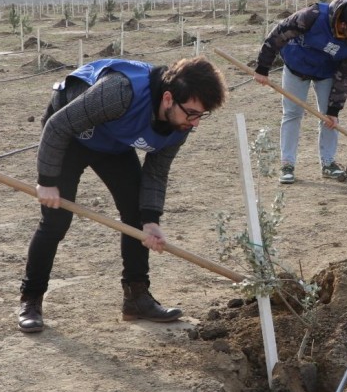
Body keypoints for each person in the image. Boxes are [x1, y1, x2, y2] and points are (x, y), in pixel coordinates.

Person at [17, 57, 227, 333]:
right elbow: (57, 126)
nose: (195, 123)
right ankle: (31, 299)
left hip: (113, 142)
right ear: (167, 98)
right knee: (56, 221)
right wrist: (46, 181)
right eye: (192, 113)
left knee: (137, 217)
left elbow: (156, 171)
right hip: (71, 133)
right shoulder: (120, 92)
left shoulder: (181, 125)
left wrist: (151, 220)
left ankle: (136, 298)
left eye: (201, 115)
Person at [253, 0, 347, 184]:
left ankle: (328, 163)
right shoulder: (312, 16)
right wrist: (263, 68)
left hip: (326, 73)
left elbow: (346, 75)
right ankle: (287, 164)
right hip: (296, 67)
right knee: (292, 114)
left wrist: (334, 108)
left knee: (329, 120)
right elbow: (278, 34)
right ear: (344, 24)